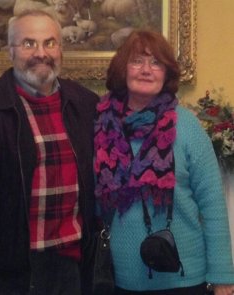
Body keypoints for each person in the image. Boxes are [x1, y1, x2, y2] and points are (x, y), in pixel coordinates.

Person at [0, 9, 99, 295]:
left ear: (61, 49)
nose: (41, 53)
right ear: (10, 52)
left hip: (75, 264)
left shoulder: (86, 105)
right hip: (16, 270)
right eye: (29, 43)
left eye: (49, 42)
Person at [94, 30, 234, 295]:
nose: (146, 69)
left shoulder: (187, 127)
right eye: (137, 61)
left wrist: (223, 276)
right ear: (122, 69)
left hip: (183, 278)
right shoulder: (104, 128)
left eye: (156, 62)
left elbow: (213, 205)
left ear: (167, 73)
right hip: (121, 280)